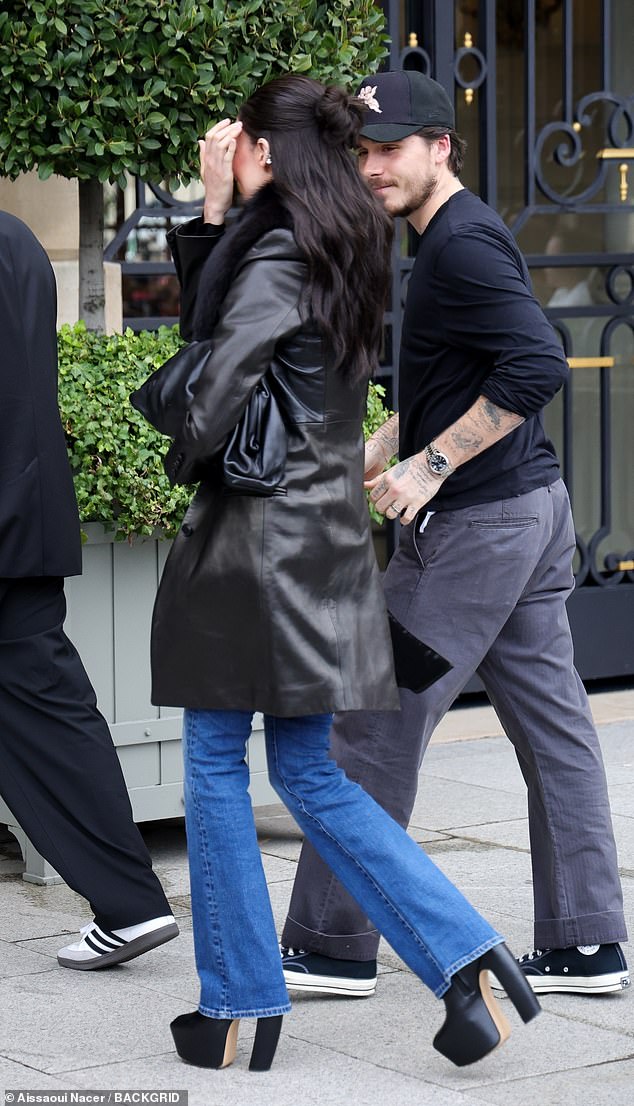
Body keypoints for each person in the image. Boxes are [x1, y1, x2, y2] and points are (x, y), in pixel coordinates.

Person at [149, 73, 540, 1073]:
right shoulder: (346, 240)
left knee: (212, 760)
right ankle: (467, 961)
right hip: (320, 541)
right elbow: (242, 334)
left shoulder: (281, 247)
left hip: (253, 549)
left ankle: (237, 1001)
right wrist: (214, 213)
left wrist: (172, 442)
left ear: (267, 154)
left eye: (238, 139)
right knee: (309, 769)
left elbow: (208, 386)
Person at [279, 69, 629, 1002]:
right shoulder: (452, 241)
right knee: (556, 732)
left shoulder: (461, 246)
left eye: (390, 148)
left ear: (441, 148)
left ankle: (328, 943)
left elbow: (537, 365)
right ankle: (590, 942)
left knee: (371, 724)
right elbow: (459, 379)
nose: (372, 167)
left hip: (476, 534)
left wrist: (428, 470)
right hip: (529, 514)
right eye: (363, 150)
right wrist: (381, 449)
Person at [0, 210, 178, 970]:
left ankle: (132, 903)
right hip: (27, 515)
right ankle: (131, 904)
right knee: (50, 714)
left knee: (49, 713)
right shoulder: (17, 240)